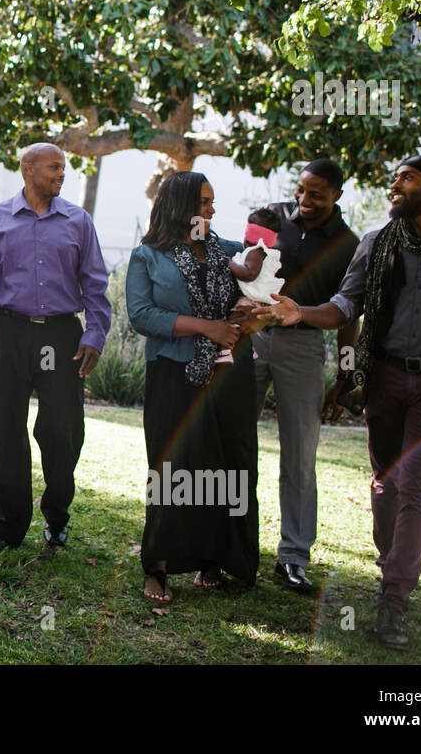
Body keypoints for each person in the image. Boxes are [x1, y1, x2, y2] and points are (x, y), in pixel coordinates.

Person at [263, 156, 421, 649]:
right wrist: (298, 311)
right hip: (384, 380)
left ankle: (393, 601)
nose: (395, 185)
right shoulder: (376, 243)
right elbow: (346, 306)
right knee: (386, 487)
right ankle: (391, 561)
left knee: (416, 488)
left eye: (406, 178)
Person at [125, 171, 262, 602]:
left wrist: (251, 291)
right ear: (180, 205)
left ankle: (216, 560)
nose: (211, 210)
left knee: (226, 467)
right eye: (204, 202)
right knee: (172, 468)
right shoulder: (148, 255)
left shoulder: (224, 249)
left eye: (212, 202)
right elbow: (142, 315)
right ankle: (158, 567)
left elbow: (263, 270)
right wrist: (208, 328)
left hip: (228, 376)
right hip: (173, 372)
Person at [0, 143, 111, 551]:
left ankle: (57, 512)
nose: (61, 174)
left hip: (61, 337)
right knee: (7, 430)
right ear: (27, 169)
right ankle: (4, 526)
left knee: (62, 431)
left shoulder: (77, 220)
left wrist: (94, 335)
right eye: (53, 167)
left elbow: (96, 284)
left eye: (63, 168)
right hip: (9, 334)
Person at [251, 159, 360, 593]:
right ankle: (225, 544)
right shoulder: (270, 218)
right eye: (301, 190)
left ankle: (293, 556)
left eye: (316, 194)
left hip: (304, 346)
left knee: (300, 456)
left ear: (336, 195)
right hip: (254, 337)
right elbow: (238, 272)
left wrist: (347, 374)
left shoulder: (348, 244)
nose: (304, 200)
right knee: (235, 441)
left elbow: (350, 313)